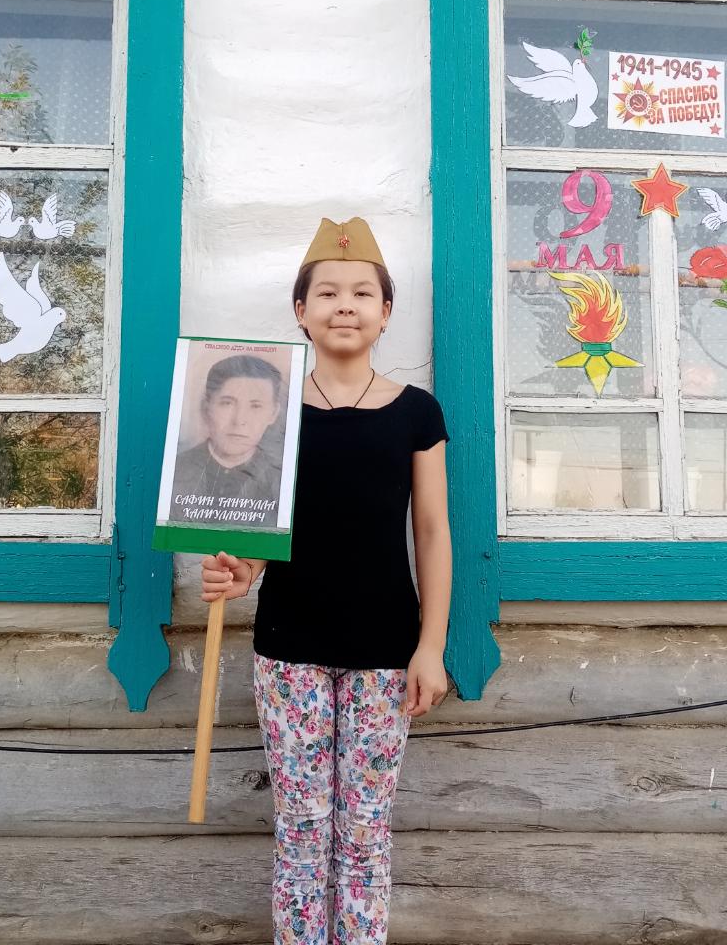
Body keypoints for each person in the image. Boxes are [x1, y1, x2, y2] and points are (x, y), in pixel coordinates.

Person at [201, 217, 452, 945]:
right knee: (302, 831)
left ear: (386, 312)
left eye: (363, 293)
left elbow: (432, 531)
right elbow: (261, 535)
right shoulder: (274, 415)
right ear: (300, 311)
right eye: (328, 292)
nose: (346, 305)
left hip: (386, 654)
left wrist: (430, 646)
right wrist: (237, 573)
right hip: (290, 651)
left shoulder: (417, 412)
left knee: (366, 833)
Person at [171, 354, 283, 529]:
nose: (239, 420)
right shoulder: (175, 469)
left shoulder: (281, 479)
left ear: (273, 413)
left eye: (255, 406)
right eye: (227, 403)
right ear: (207, 406)